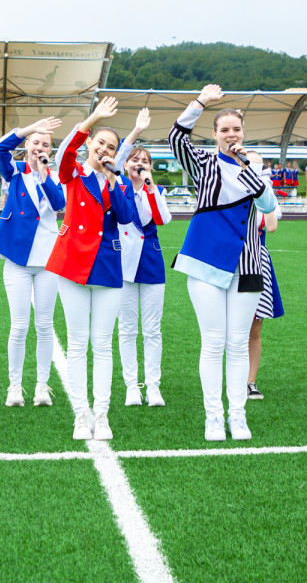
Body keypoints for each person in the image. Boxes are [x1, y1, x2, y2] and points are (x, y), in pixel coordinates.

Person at [169, 85, 277, 442]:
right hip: (205, 263)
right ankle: (214, 416)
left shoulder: (255, 168)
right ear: (215, 134)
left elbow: (267, 208)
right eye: (225, 129)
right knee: (213, 342)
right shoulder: (203, 163)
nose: (232, 134)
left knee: (236, 342)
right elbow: (176, 138)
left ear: (243, 134)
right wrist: (200, 102)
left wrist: (249, 167)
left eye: (237, 129)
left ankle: (238, 415)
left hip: (247, 265)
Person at [45, 96, 135, 441]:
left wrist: (114, 180)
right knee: (78, 343)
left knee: (102, 344)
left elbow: (127, 218)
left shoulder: (118, 181)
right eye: (101, 143)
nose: (105, 150)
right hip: (72, 264)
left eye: (111, 147)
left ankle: (102, 412)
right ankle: (81, 414)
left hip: (108, 267)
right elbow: (64, 153)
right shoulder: (74, 173)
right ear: (91, 144)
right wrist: (93, 118)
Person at [0, 117, 67, 408]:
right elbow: (0, 147)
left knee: (45, 325)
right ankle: (14, 386)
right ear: (27, 147)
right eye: (35, 143)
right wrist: (30, 128)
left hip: (48, 260)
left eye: (45, 144)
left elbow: (59, 204)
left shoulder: (56, 177)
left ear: (50, 151)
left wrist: (45, 173)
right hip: (18, 260)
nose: (40, 148)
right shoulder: (14, 173)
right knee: (19, 326)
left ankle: (42, 386)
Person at [115, 109, 171, 408]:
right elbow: (113, 161)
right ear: (126, 165)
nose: (139, 164)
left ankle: (153, 385)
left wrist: (150, 186)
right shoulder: (117, 186)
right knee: (127, 329)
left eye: (145, 161)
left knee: (152, 329)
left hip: (151, 264)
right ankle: (131, 385)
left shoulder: (156, 189)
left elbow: (163, 218)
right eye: (135, 160)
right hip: (122, 264)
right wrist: (135, 131)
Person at [246, 201, 284, 400]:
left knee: (255, 326)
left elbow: (272, 225)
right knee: (229, 326)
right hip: (230, 259)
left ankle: (250, 381)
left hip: (258, 261)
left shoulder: (265, 192)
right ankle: (230, 378)